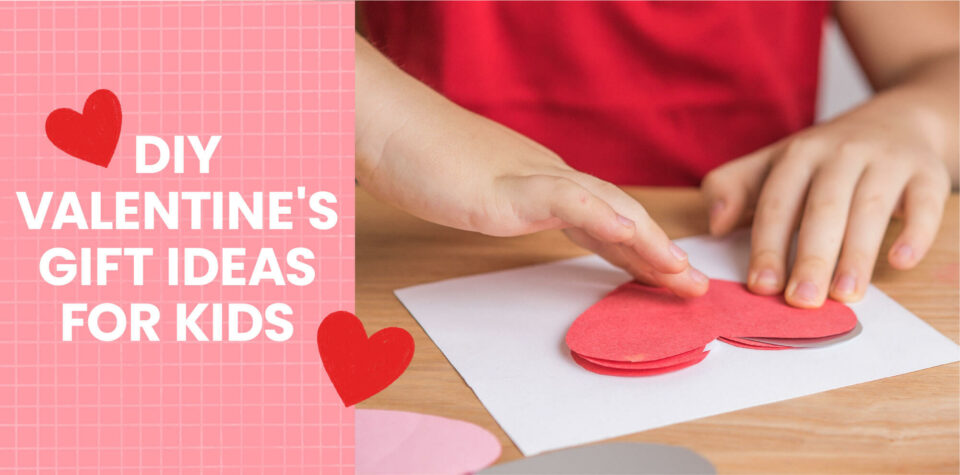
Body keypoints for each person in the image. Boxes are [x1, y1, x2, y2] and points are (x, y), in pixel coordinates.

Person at [355, 1, 959, 308]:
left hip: (745, 253)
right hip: (404, 262)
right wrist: (383, 128)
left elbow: (944, 58)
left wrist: (918, 119)